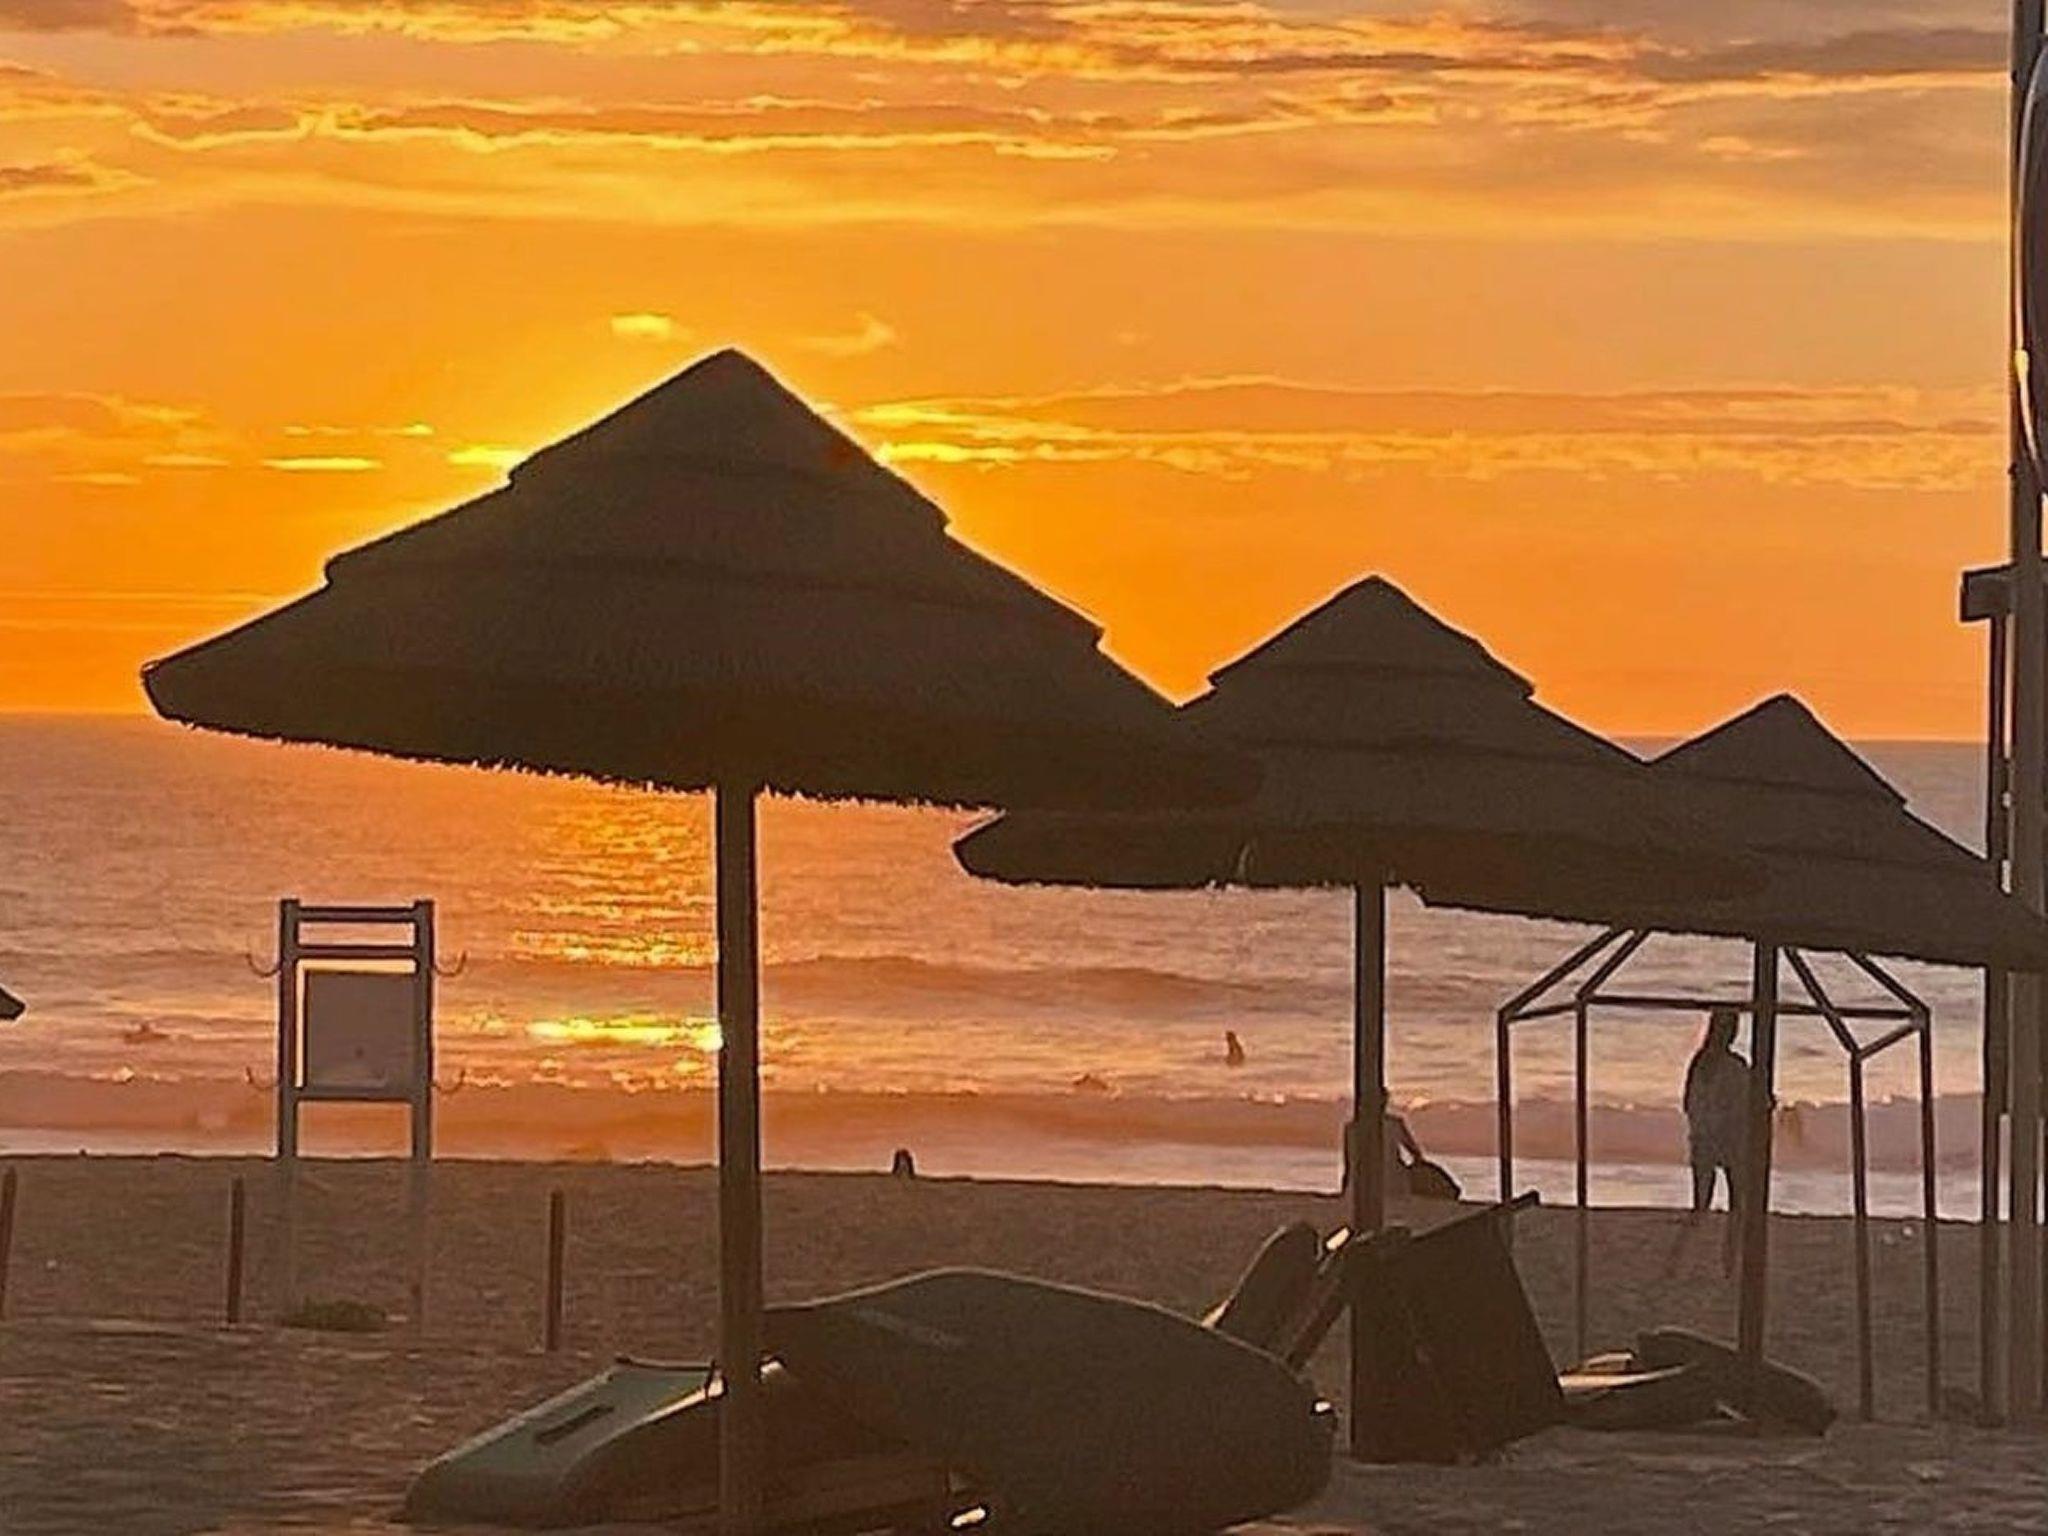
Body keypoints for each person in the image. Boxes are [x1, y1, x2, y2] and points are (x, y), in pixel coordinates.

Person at [1677, 1007, 1750, 1274]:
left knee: (1700, 1206)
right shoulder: (1736, 1066)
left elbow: (1688, 1104)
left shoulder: (1700, 1063)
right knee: (1737, 1206)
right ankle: (1729, 1264)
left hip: (1703, 1141)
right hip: (1731, 1142)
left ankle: (1676, 1259)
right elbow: (1745, 1106)